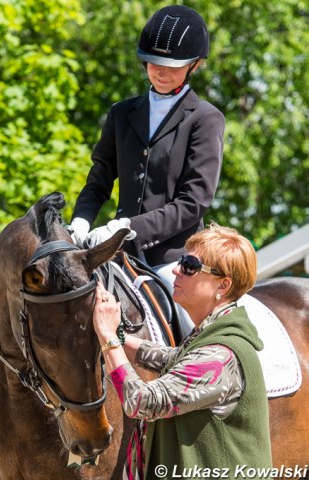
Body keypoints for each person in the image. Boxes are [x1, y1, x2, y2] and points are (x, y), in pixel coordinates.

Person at [70, 5, 225, 337]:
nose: (160, 72)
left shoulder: (205, 119)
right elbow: (99, 180)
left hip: (173, 260)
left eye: (172, 66)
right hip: (119, 257)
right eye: (154, 63)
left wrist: (127, 226)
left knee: (200, 334)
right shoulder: (121, 114)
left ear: (195, 65)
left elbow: (193, 203)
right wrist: (80, 221)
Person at [93, 222, 272, 480]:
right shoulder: (209, 335)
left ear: (222, 286)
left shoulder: (220, 355)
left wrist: (108, 337)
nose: (177, 269)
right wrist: (116, 334)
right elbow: (168, 357)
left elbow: (141, 402)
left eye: (190, 266)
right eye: (181, 262)